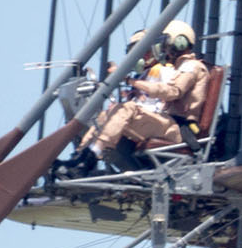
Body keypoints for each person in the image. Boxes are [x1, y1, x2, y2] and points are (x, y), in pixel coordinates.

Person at [56, 21, 206, 176]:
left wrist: (130, 81)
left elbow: (172, 92)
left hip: (178, 128)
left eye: (166, 43)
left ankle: (89, 160)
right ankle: (79, 157)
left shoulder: (191, 66)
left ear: (180, 43)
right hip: (166, 122)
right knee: (106, 115)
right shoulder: (177, 68)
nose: (164, 49)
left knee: (127, 108)